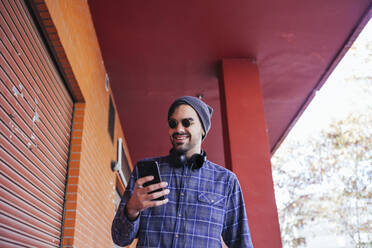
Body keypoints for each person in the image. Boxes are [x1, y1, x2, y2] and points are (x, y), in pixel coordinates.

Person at [112, 96, 254, 247]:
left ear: (203, 129)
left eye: (187, 122)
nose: (178, 129)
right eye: (173, 124)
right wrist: (131, 210)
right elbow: (119, 238)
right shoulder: (145, 171)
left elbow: (242, 243)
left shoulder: (226, 181)